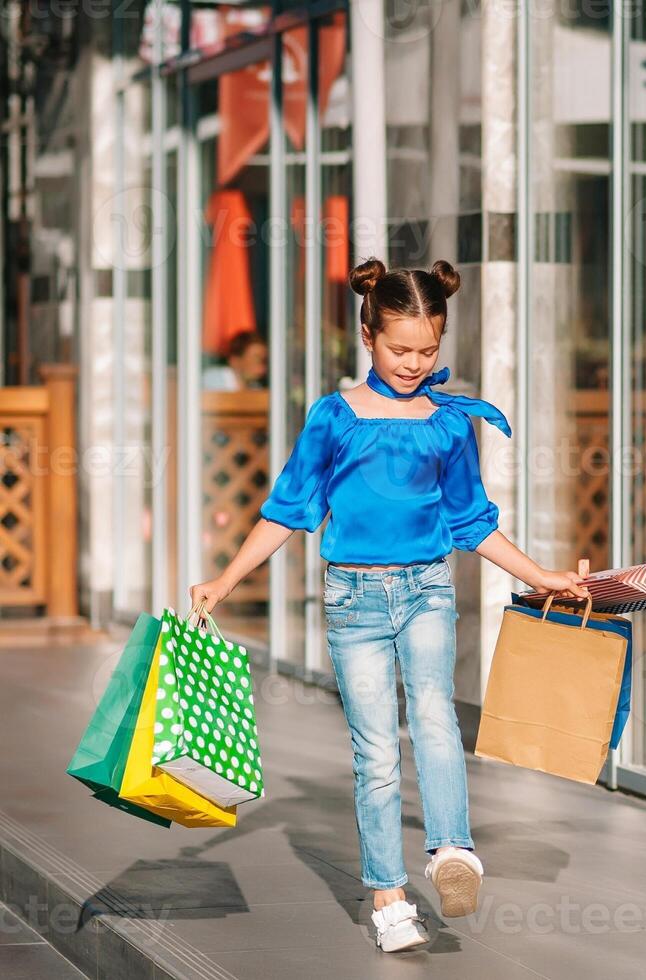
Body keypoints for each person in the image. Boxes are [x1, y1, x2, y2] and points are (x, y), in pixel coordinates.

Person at [187, 257, 589, 952]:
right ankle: (387, 896)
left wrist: (542, 575)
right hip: (352, 601)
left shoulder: (448, 422)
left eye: (428, 349)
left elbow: (473, 522)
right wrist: (224, 580)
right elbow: (287, 509)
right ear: (367, 334)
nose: (413, 362)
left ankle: (451, 851)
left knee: (434, 717)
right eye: (400, 348)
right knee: (375, 750)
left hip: (428, 588)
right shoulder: (335, 417)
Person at [202, 331, 269, 391]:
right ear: (235, 361)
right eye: (256, 358)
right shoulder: (212, 380)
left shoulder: (256, 388)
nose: (262, 366)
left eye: (264, 360)